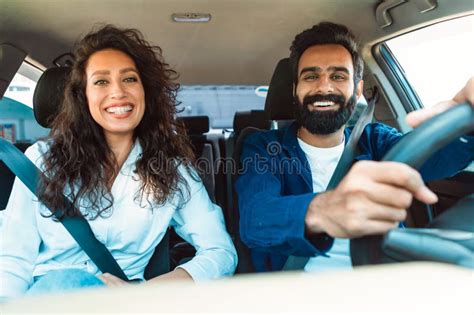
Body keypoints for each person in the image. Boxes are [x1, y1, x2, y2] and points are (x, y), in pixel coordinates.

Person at [0, 25, 237, 301]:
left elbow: (221, 252)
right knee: (68, 281)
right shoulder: (41, 161)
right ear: (83, 96)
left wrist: (147, 291)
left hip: (123, 302)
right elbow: (12, 260)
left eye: (129, 79)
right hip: (47, 298)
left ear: (145, 91)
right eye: (101, 81)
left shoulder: (173, 171)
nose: (118, 92)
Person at [236, 22, 474, 272]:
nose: (324, 87)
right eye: (311, 76)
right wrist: (325, 210)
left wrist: (466, 124)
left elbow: (438, 158)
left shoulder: (376, 141)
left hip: (380, 276)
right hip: (296, 289)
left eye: (338, 76)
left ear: (358, 89)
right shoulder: (265, 147)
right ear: (295, 89)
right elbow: (255, 219)